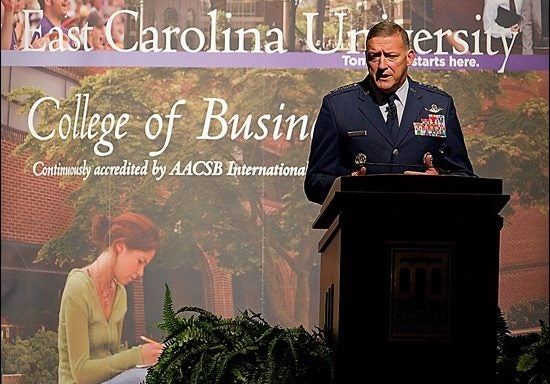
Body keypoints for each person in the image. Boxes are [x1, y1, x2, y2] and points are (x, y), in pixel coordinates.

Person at [304, 20, 475, 205]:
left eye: (391, 56)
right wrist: (347, 185)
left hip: (424, 224)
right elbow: (315, 182)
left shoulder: (439, 104)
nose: (382, 65)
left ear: (409, 58)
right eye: (374, 56)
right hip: (360, 224)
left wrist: (439, 182)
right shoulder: (338, 106)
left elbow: (463, 176)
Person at [58, 211, 164, 384]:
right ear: (119, 246)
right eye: (140, 261)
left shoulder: (120, 293)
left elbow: (113, 359)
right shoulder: (78, 287)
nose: (140, 273)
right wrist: (138, 355)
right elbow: (81, 373)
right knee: (142, 379)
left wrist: (150, 358)